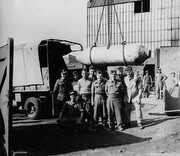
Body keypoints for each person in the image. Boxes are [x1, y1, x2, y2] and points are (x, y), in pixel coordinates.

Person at [124, 65, 144, 129]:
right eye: (127, 72)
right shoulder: (125, 79)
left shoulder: (136, 78)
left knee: (138, 109)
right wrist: (125, 97)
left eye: (129, 72)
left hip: (135, 96)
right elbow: (124, 88)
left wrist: (139, 97)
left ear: (132, 71)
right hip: (128, 96)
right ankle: (127, 123)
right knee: (127, 110)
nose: (128, 73)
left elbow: (140, 88)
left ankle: (139, 122)